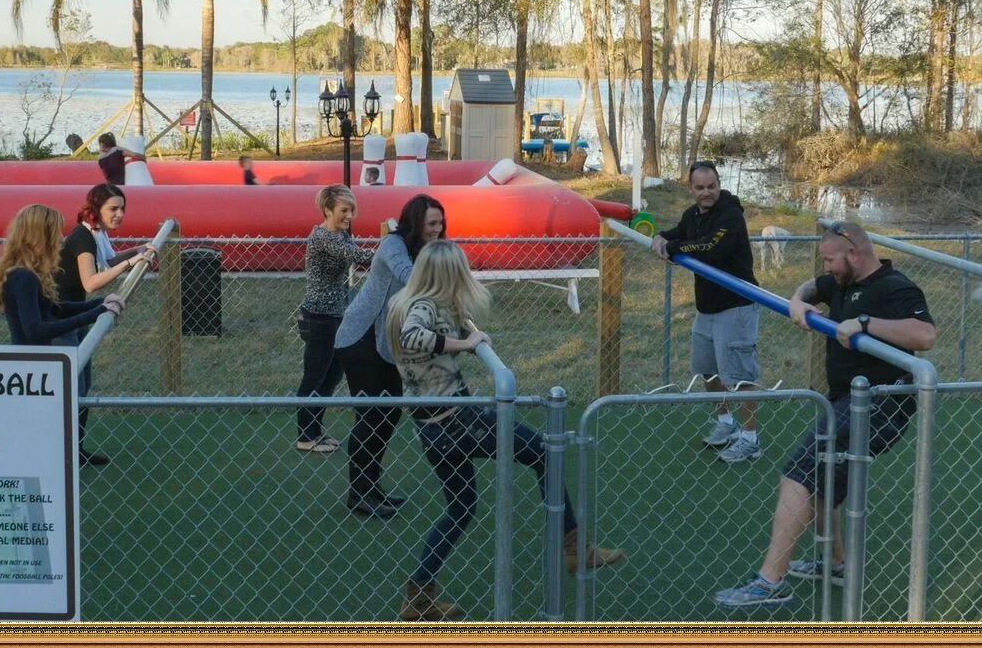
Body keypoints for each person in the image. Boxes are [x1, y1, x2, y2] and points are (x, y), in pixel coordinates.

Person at [388, 240, 624, 621]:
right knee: (545, 453)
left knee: (461, 507)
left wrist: (465, 331)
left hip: (434, 428)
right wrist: (466, 343)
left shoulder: (415, 301)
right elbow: (411, 338)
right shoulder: (422, 307)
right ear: (447, 274)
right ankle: (574, 547)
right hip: (455, 422)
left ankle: (418, 596)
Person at [714, 220, 934, 608]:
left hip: (881, 404)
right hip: (844, 400)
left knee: (799, 475)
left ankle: (769, 581)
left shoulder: (894, 287)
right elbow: (812, 287)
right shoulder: (841, 282)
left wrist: (866, 324)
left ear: (853, 254)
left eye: (831, 259)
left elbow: (925, 335)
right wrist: (799, 301)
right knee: (823, 483)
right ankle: (836, 564)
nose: (827, 267)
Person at [332, 195, 445, 519]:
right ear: (416, 223)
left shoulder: (428, 250)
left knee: (390, 415)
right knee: (371, 416)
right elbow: (409, 277)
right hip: (360, 338)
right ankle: (359, 493)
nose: (437, 230)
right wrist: (447, 281)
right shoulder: (393, 244)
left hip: (388, 345)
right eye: (431, 224)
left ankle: (372, 486)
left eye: (440, 224)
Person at [650, 159, 766, 463]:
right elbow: (677, 233)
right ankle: (727, 424)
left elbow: (710, 249)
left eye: (711, 186)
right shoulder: (693, 215)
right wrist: (661, 237)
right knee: (708, 370)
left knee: (739, 377)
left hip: (736, 306)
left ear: (719, 184)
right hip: (708, 308)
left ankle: (751, 439)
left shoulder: (730, 216)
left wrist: (675, 248)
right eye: (700, 187)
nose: (706, 192)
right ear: (690, 189)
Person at [0, 205, 126, 441]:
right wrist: (94, 314)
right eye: (55, 233)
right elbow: (35, 330)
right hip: (33, 367)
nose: (60, 240)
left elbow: (56, 309)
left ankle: (73, 453)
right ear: (39, 236)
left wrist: (99, 304)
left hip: (40, 364)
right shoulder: (23, 277)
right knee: (44, 431)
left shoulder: (30, 274)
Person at [53, 184, 157, 467]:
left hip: (74, 314)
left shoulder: (95, 234)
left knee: (83, 385)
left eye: (122, 208)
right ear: (96, 209)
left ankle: (76, 449)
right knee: (72, 387)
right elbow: (91, 281)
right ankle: (62, 453)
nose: (120, 214)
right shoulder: (83, 238)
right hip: (59, 319)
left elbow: (108, 260)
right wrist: (129, 263)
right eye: (113, 209)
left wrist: (136, 250)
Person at [293, 185, 373, 454]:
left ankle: (316, 432)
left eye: (352, 210)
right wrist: (393, 251)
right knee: (314, 377)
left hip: (335, 315)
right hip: (319, 317)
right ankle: (305, 436)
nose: (349, 215)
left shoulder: (340, 235)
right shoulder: (322, 237)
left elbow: (356, 252)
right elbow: (358, 256)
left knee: (332, 375)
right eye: (344, 210)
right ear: (328, 211)